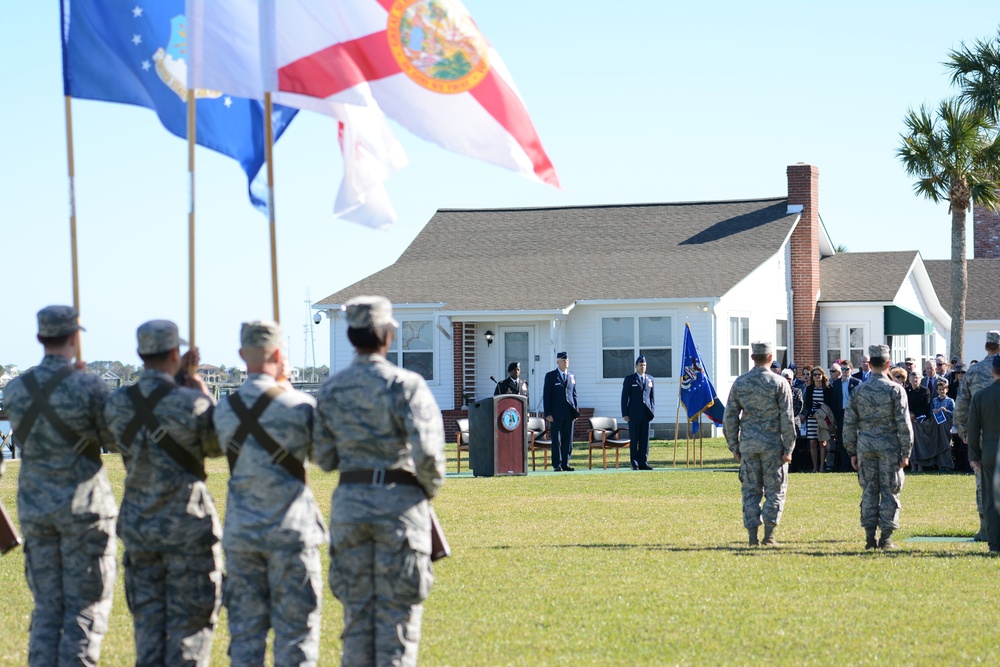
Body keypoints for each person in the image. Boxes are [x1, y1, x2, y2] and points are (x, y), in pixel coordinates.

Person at [313, 296, 446, 667]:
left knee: (356, 618)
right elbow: (430, 456)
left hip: (350, 508)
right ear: (387, 335)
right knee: (398, 624)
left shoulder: (331, 389)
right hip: (399, 507)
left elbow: (323, 458)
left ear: (351, 335)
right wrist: (425, 491)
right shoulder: (407, 384)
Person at [3, 305, 118, 664]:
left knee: (47, 608)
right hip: (83, 507)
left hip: (36, 508)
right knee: (84, 608)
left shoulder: (17, 389)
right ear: (73, 338)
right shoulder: (89, 386)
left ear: (40, 338)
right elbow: (112, 438)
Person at [104, 320, 223, 666]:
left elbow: (111, 440)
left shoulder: (118, 403)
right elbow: (216, 445)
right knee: (190, 627)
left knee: (148, 626)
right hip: (187, 526)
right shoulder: (191, 403)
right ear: (175, 352)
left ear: (140, 354)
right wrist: (199, 390)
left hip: (140, 526)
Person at [213, 321, 329, 665]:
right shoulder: (299, 405)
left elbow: (209, 446)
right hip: (291, 532)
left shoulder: (224, 409)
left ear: (241, 355)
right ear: (279, 355)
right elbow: (323, 456)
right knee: (296, 636)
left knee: (246, 636)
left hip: (242, 535)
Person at [723, 341, 796, 546]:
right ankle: (769, 535)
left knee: (750, 491)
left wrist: (734, 446)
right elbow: (787, 419)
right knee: (775, 490)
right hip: (773, 446)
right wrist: (789, 448)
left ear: (752, 357)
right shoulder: (779, 383)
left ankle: (752, 537)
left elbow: (730, 416)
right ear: (771, 358)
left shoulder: (741, 382)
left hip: (749, 445)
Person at [843, 345, 913, 550]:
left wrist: (852, 451)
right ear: (888, 364)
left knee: (869, 491)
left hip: (865, 447)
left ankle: (869, 537)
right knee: (890, 491)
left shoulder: (858, 390)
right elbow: (904, 423)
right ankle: (886, 538)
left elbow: (849, 424)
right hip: (890, 448)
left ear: (870, 363)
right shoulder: (895, 389)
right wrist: (906, 452)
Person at [955, 331, 1000, 542]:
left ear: (986, 347)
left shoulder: (972, 372)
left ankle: (985, 527)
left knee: (983, 483)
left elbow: (961, 407)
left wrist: (965, 434)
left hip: (981, 437)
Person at [967, 356, 1000, 552]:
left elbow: (972, 430)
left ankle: (995, 543)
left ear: (991, 371)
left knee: (991, 498)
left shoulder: (980, 396)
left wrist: (974, 455)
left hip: (990, 449)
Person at [543, 351, 580, 472]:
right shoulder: (551, 376)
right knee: (556, 440)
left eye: (567, 360)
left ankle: (566, 463)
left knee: (568, 440)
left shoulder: (571, 375)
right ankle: (557, 464)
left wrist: (576, 411)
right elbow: (546, 395)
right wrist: (548, 413)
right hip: (556, 414)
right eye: (563, 360)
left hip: (569, 413)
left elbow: (574, 394)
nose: (566, 362)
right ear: (558, 362)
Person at [621, 355, 655, 470]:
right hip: (633, 414)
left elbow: (651, 397)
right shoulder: (630, 379)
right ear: (636, 366)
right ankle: (634, 463)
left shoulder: (650, 379)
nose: (642, 367)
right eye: (640, 365)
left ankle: (643, 462)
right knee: (634, 439)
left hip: (646, 414)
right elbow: (624, 397)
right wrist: (625, 413)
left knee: (644, 440)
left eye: (644, 365)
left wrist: (652, 411)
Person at [829, 363, 860, 472]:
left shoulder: (856, 382)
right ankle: (844, 466)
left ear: (851, 370)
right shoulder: (836, 383)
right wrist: (835, 416)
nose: (845, 371)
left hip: (853, 414)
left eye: (847, 369)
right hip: (841, 413)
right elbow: (834, 401)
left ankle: (855, 466)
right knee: (842, 440)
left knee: (854, 438)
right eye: (843, 369)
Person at [804, 367, 836, 473]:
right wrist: (811, 413)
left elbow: (831, 404)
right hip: (812, 418)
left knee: (822, 442)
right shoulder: (809, 388)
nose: (817, 376)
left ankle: (822, 466)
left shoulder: (827, 388)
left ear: (823, 376)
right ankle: (815, 467)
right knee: (813, 442)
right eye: (815, 375)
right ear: (812, 377)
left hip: (823, 418)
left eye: (819, 374)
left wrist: (824, 414)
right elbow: (807, 403)